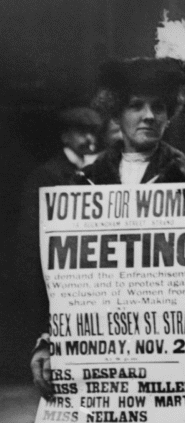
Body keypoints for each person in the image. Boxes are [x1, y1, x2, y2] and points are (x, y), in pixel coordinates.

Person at [26, 16, 185, 423]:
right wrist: (48, 340)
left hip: (175, 365)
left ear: (170, 115)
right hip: (105, 371)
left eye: (159, 107)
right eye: (136, 105)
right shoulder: (83, 187)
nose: (148, 115)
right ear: (114, 114)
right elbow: (64, 280)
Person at [17, 107, 103, 340]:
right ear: (65, 136)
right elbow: (31, 241)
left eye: (93, 132)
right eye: (81, 132)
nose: (89, 139)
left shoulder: (100, 173)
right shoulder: (46, 176)